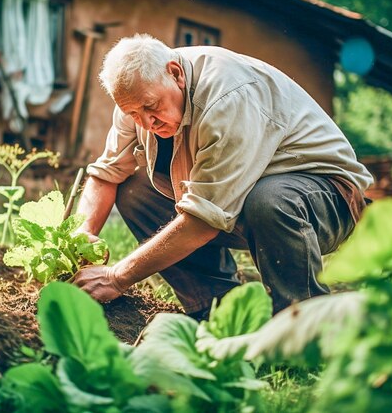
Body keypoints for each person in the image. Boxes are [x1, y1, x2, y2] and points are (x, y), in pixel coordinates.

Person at [72, 33, 373, 318]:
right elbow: (106, 175)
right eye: (134, 114)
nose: (146, 122)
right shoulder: (137, 97)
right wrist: (81, 236)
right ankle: (216, 310)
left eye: (152, 107)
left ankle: (302, 325)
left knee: (268, 200)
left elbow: (202, 223)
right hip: (240, 202)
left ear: (176, 74)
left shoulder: (226, 99)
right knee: (134, 190)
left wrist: (116, 277)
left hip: (326, 200)